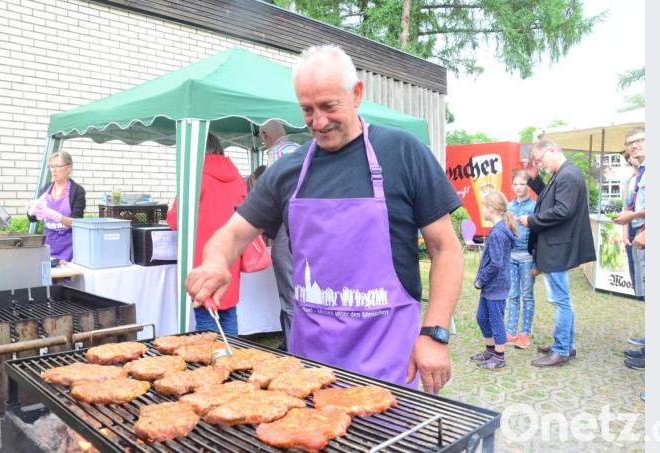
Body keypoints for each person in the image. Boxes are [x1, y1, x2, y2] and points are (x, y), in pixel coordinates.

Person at [184, 44, 463, 394]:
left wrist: (434, 332)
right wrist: (214, 262)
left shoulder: (403, 153)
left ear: (356, 94)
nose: (318, 121)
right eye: (307, 110)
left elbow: (446, 249)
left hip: (389, 363)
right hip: (309, 369)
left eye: (329, 106)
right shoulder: (289, 170)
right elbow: (233, 234)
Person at [518, 139, 595, 367]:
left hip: (557, 248)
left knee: (561, 300)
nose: (540, 165)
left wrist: (531, 220)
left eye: (541, 160)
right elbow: (547, 200)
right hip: (556, 246)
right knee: (562, 299)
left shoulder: (568, 175)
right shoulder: (563, 174)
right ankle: (566, 346)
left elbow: (562, 210)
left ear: (552, 150)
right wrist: (534, 178)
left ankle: (561, 349)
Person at [167, 133, 247, 336]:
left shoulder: (195, 177)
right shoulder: (237, 178)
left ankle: (212, 361)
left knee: (206, 311)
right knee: (227, 309)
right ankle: (232, 355)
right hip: (230, 254)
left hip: (202, 256)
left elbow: (176, 220)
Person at [259, 120, 300, 351]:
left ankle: (294, 347)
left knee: (289, 291)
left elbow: (272, 194)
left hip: (288, 224)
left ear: (265, 135)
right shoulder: (300, 149)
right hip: (306, 226)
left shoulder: (276, 153)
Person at [470, 191, 518, 370]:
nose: (481, 210)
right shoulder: (498, 229)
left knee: (496, 320)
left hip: (495, 285)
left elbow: (496, 264)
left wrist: (481, 280)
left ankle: (499, 357)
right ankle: (490, 350)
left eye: (483, 207)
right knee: (482, 317)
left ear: (490, 209)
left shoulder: (498, 233)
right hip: (491, 285)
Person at [614, 127, 646, 371]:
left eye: (639, 141)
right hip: (635, 234)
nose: (634, 147)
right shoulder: (636, 178)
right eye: (630, 143)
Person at [27, 151, 86, 262]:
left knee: (66, 277)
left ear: (69, 168)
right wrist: (31, 209)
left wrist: (56, 216)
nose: (54, 170)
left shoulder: (77, 191)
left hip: (69, 247)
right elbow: (32, 219)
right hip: (49, 243)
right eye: (51, 166)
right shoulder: (46, 189)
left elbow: (77, 223)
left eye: (58, 166)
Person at [505, 170, 537, 349]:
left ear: (529, 186)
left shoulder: (534, 208)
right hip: (511, 257)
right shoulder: (509, 207)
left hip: (527, 258)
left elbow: (538, 236)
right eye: (515, 184)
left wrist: (537, 263)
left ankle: (525, 333)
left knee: (527, 296)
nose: (518, 187)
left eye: (522, 184)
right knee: (513, 295)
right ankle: (511, 332)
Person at [620, 150, 641, 295]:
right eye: (630, 155)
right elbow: (626, 208)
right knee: (635, 271)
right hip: (632, 229)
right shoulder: (628, 182)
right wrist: (625, 233)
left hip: (643, 227)